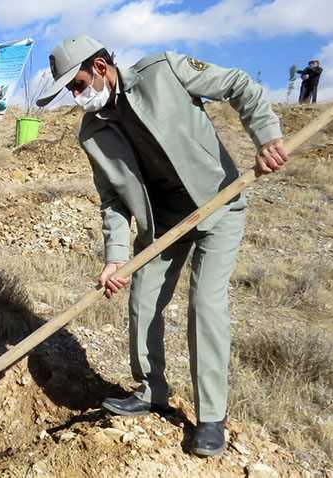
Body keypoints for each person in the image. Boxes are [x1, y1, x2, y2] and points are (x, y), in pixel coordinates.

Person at [37, 35, 288, 457]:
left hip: (217, 204)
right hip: (163, 226)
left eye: (78, 85)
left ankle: (211, 417)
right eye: (70, 91)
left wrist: (266, 137)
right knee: (143, 300)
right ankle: (151, 389)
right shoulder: (92, 134)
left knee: (204, 305)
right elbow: (113, 201)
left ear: (100, 67)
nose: (76, 97)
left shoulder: (164, 71)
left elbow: (240, 85)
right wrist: (115, 259)